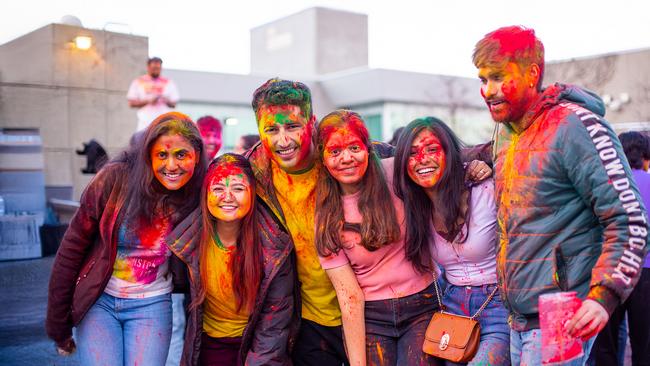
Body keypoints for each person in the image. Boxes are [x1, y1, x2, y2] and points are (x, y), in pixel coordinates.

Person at [472, 26, 649, 365]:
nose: (488, 91)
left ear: (532, 73)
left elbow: (629, 218)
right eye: (482, 80)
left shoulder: (574, 125)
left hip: (561, 314)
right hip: (517, 317)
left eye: (497, 77)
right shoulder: (508, 134)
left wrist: (604, 297)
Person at [46, 112, 207, 365]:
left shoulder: (199, 192)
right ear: (147, 155)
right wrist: (58, 325)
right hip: (99, 302)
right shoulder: (114, 180)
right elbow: (71, 251)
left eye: (181, 155)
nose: (172, 165)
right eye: (162, 155)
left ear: (196, 157)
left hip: (152, 305)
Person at [315, 110, 441, 366]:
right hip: (372, 317)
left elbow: (441, 163)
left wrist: (475, 165)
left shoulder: (396, 172)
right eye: (335, 151)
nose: (347, 158)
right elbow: (348, 295)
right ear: (323, 157)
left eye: (354, 147)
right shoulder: (326, 215)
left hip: (423, 306)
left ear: (367, 148)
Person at [393, 117, 510, 365]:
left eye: (432, 149)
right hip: (452, 308)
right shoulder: (414, 207)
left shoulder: (485, 190)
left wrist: (485, 161)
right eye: (413, 153)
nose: (423, 159)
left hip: (497, 303)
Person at [164, 153, 296, 365]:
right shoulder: (187, 241)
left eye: (237, 188)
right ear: (205, 194)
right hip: (208, 346)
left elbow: (274, 325)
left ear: (253, 193)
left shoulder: (274, 248)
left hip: (257, 347)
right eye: (218, 188)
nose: (227, 196)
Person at [591, 132, 650, 366]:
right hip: (645, 270)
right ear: (646, 157)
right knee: (644, 344)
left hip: (609, 269)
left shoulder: (604, 184)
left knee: (606, 343)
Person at [127, 57, 180, 132]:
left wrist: (165, 100)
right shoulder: (138, 81)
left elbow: (174, 104)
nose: (156, 70)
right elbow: (131, 103)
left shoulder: (169, 82)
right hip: (145, 123)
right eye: (154, 68)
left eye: (158, 68)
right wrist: (148, 101)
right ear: (148, 67)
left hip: (163, 123)